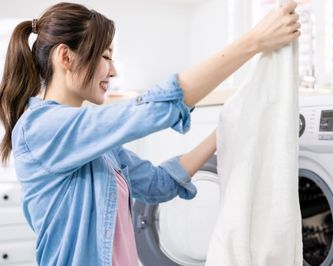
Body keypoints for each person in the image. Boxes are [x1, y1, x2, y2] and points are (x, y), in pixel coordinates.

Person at [0, 1, 300, 265]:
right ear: (66, 57)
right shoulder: (40, 129)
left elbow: (158, 184)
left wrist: (227, 128)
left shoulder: (97, 146)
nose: (113, 71)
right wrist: (254, 42)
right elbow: (151, 110)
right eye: (106, 57)